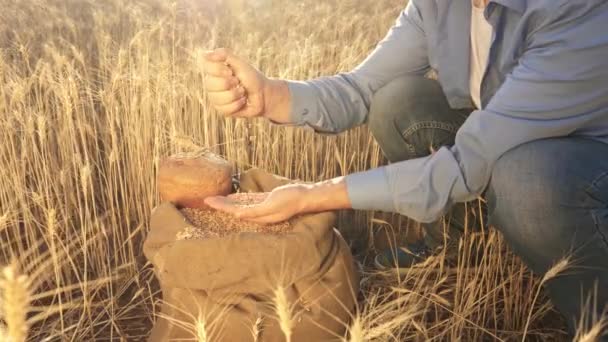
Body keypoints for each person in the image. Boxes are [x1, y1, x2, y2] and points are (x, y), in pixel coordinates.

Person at [201, 0, 608, 335]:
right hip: (503, 141)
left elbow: (467, 164)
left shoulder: (578, 10)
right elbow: (362, 88)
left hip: (585, 159)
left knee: (526, 180)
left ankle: (595, 317)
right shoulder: (437, 5)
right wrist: (270, 96)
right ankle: (457, 247)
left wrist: (312, 196)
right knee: (397, 101)